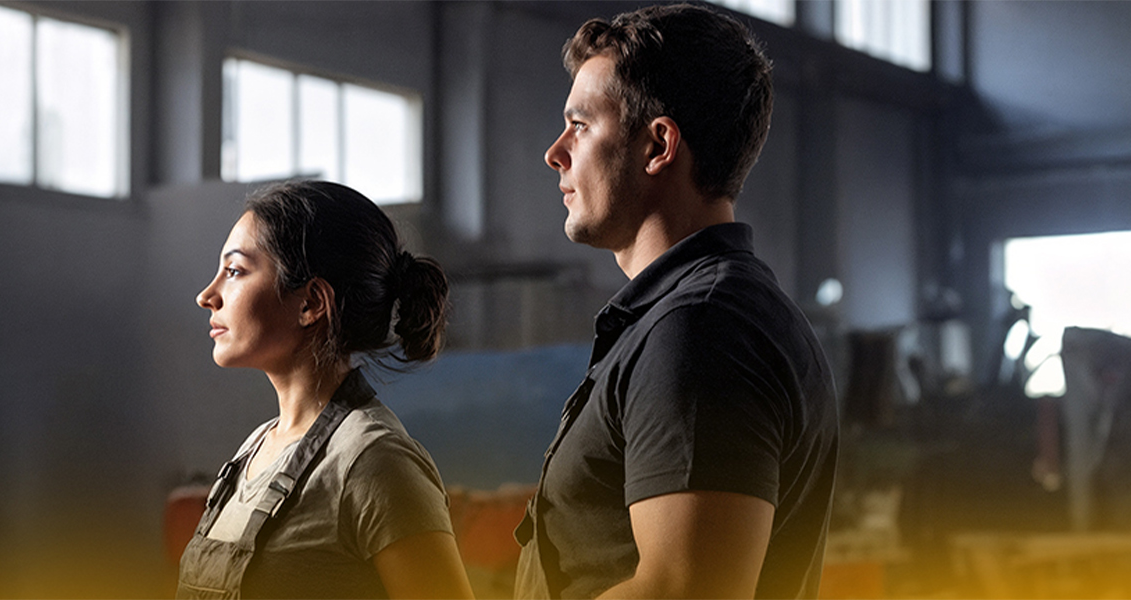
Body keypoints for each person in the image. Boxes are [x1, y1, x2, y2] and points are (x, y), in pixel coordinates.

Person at [512, 5, 839, 599]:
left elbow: (681, 590)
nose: (555, 153)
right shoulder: (689, 319)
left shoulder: (701, 329)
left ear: (657, 145)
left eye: (581, 125)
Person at [178, 181, 475, 600]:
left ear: (311, 303)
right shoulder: (254, 448)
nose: (207, 296)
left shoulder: (376, 461)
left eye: (235, 271)